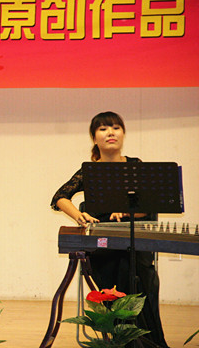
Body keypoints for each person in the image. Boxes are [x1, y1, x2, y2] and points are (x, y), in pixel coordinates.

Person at [51, 111, 168, 348]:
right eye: (103, 129)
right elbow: (59, 197)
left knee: (138, 271)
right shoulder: (90, 171)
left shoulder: (135, 166)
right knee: (120, 267)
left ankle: (146, 341)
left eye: (115, 127)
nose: (110, 133)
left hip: (133, 238)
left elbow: (149, 206)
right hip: (103, 243)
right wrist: (79, 215)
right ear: (94, 138)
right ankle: (126, 339)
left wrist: (126, 212)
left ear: (123, 134)